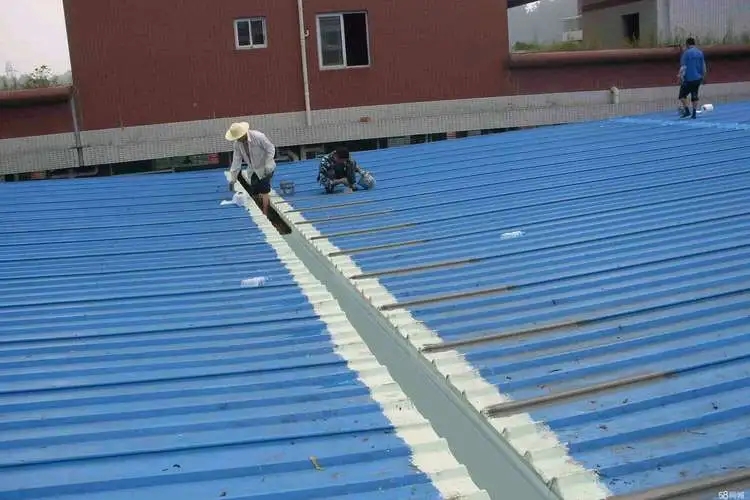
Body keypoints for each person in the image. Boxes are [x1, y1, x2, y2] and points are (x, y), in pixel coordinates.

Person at [225, 122, 276, 214]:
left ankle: (266, 213)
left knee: (264, 189)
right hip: (253, 169)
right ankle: (260, 208)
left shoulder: (258, 137)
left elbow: (271, 149)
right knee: (255, 190)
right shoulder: (237, 144)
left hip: (265, 167)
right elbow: (236, 161)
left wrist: (268, 163)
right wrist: (233, 179)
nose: (238, 139)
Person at [677, 37, 706, 119]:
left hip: (688, 79)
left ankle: (687, 111)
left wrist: (680, 77)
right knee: (694, 95)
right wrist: (703, 77)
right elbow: (703, 66)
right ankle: (694, 114)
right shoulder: (700, 53)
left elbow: (683, 67)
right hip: (698, 78)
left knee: (682, 96)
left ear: (687, 44)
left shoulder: (686, 53)